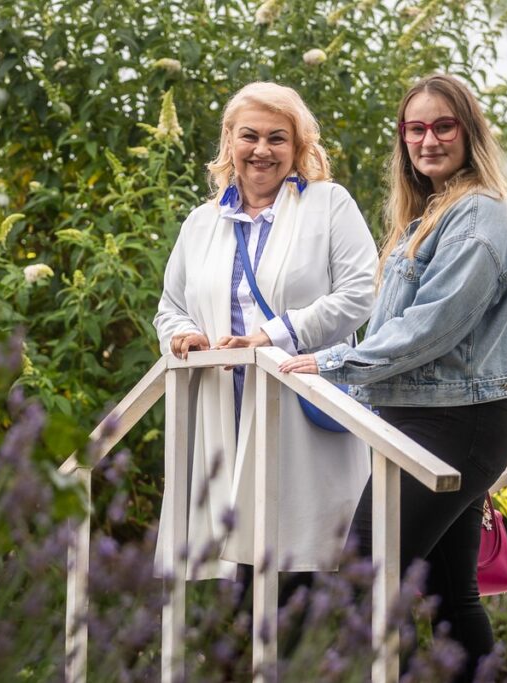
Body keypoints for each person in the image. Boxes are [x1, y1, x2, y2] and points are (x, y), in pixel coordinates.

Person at [279, 74, 507, 680]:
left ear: (470, 131)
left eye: (444, 125)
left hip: (455, 423)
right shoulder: (432, 210)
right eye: (416, 128)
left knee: (366, 580)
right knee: (449, 600)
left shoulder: (479, 216)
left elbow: (431, 326)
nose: (429, 139)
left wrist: (334, 361)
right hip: (424, 422)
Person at [153, 81, 378, 584]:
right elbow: (170, 306)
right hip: (224, 411)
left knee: (310, 564)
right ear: (229, 142)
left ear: (298, 147)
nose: (262, 150)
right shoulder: (201, 223)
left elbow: (360, 293)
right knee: (243, 568)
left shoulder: (329, 205)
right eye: (249, 136)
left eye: (278, 138)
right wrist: (184, 333)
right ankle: (259, 661)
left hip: (302, 406)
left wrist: (271, 337)